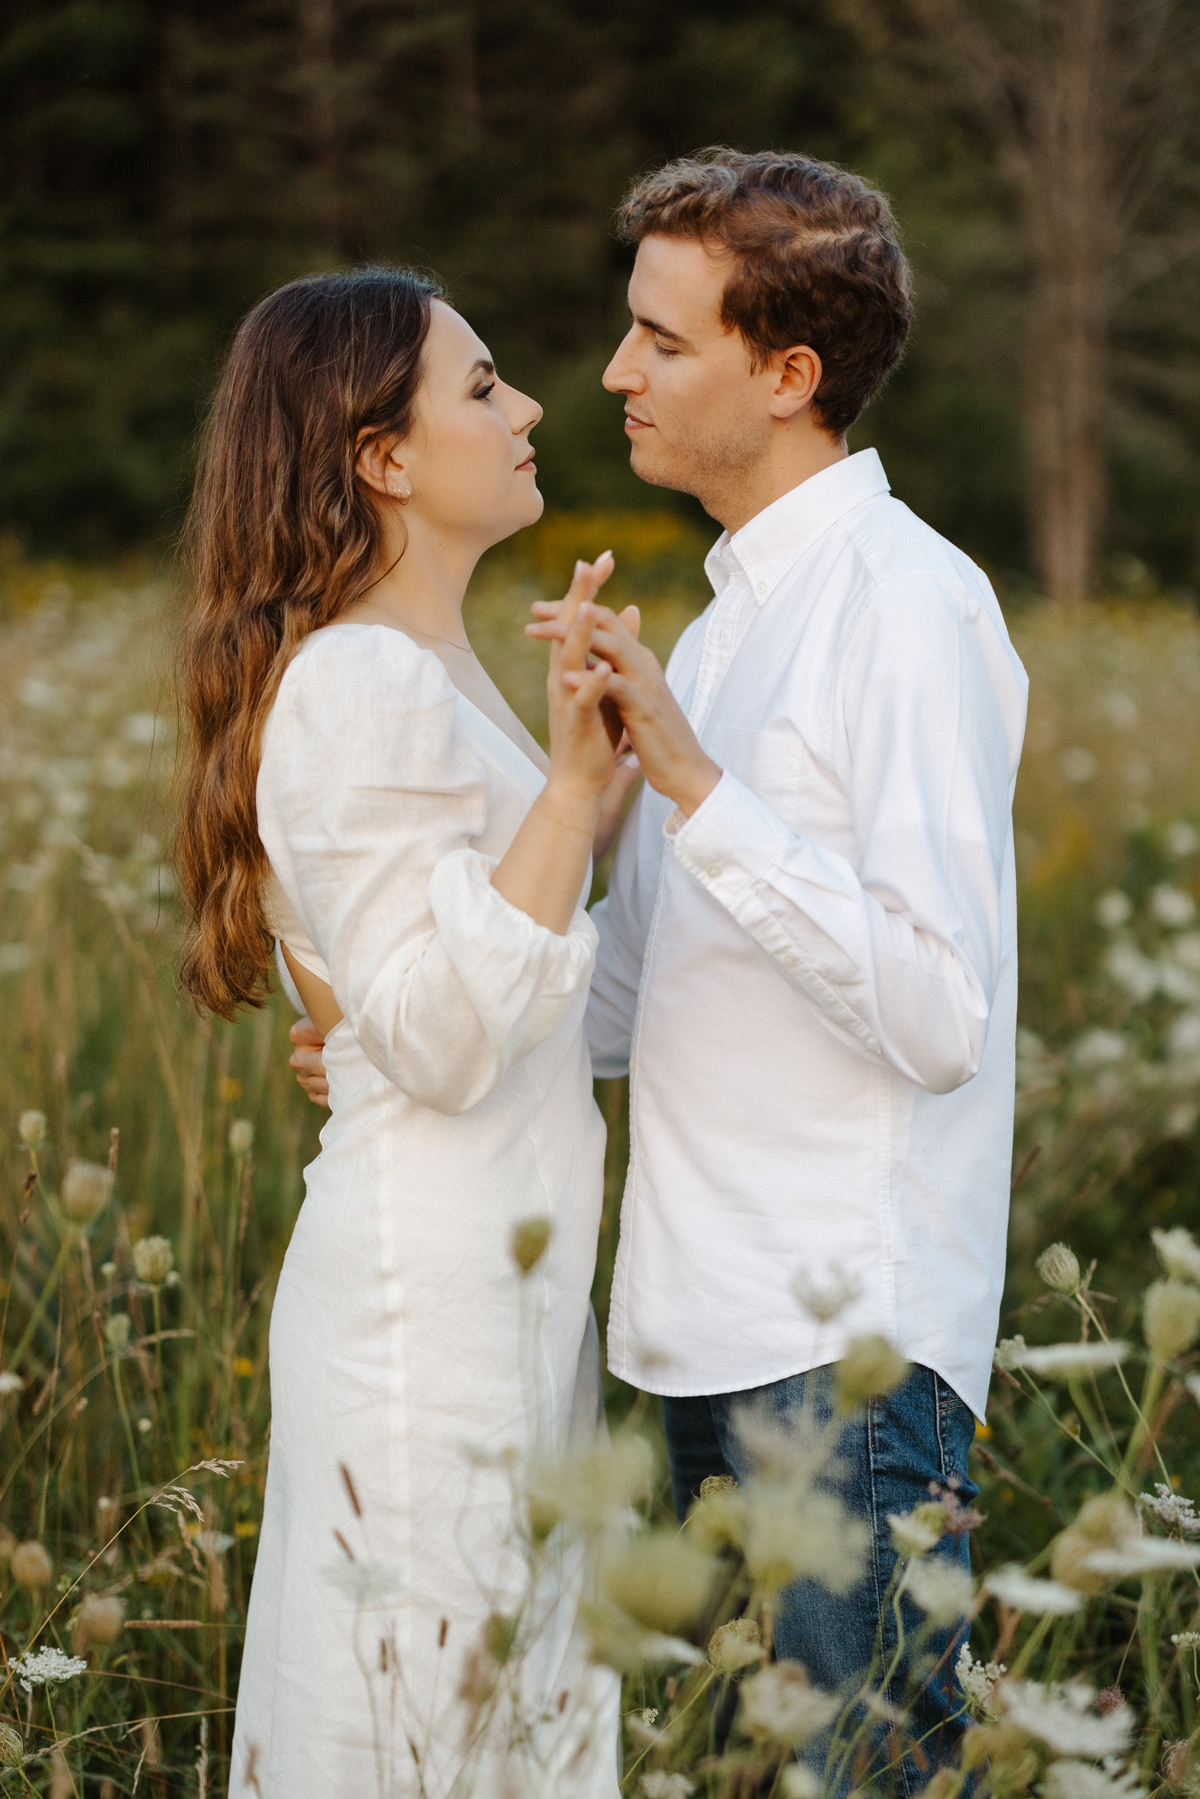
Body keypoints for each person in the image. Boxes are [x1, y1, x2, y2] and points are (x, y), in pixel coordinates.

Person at [527, 149, 1029, 1784]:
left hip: (844, 1358)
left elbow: (941, 1012)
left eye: (664, 342)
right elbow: (657, 997)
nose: (617, 374)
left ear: (789, 374)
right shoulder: (731, 623)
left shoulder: (907, 606)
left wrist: (695, 787)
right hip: (691, 1329)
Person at [175, 267, 628, 1798]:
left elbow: (400, 1005)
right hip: (425, 1315)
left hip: (496, 1289)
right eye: (485, 387)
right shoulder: (363, 680)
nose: (532, 409)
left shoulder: (431, 671)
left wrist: (588, 793)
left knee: (491, 1735)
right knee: (426, 1741)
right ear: (380, 456)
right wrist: (568, 800)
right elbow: (435, 1039)